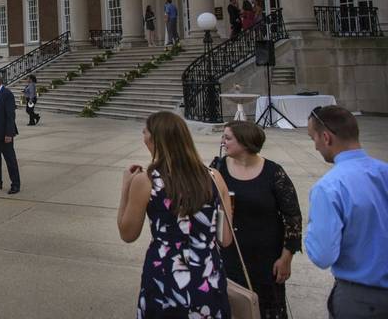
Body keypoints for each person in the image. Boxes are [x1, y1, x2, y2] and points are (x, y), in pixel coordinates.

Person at [117, 111, 233, 318]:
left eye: (144, 131)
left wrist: (126, 188)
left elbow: (128, 233)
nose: (142, 135)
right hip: (207, 273)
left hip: (165, 274)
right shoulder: (215, 177)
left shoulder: (146, 181)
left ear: (153, 139)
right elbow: (225, 239)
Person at [212, 120, 302, 318]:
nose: (223, 142)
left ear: (244, 143)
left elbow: (293, 218)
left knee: (265, 308)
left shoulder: (273, 173)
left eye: (228, 138)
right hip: (229, 255)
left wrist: (286, 258)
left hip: (266, 259)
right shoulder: (218, 167)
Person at [305, 105, 388, 315]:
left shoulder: (329, 187)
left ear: (326, 137)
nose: (315, 146)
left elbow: (322, 255)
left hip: (361, 298)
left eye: (313, 138)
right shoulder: (384, 171)